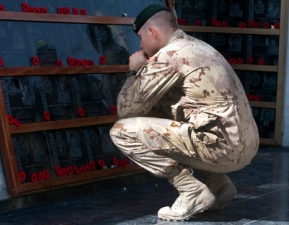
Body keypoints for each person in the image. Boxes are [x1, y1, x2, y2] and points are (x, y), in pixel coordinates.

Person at [109, 4, 259, 221]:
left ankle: (191, 191)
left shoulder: (170, 55)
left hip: (222, 148)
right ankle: (218, 184)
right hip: (246, 145)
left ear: (152, 32)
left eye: (141, 38)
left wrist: (134, 70)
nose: (140, 45)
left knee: (121, 131)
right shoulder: (200, 46)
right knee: (163, 110)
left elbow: (125, 110)